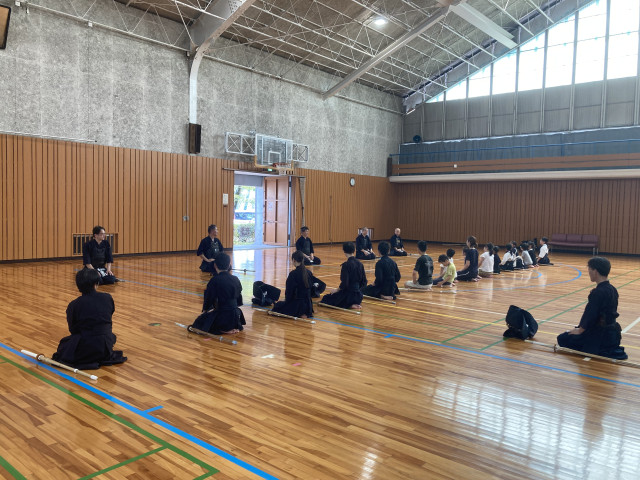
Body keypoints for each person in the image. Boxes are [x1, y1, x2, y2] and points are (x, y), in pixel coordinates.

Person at [52, 268, 127, 369]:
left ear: (78, 286)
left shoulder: (74, 305)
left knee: (65, 344)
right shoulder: (107, 297)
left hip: (87, 344)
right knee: (109, 336)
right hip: (106, 345)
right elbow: (109, 315)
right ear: (96, 284)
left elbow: (73, 329)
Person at [557, 257, 627, 359]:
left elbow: (591, 315)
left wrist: (580, 330)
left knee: (562, 338)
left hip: (600, 334)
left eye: (589, 269)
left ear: (595, 271)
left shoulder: (598, 293)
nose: (589, 272)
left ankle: (600, 347)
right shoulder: (612, 289)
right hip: (613, 334)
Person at [192, 253, 245, 334]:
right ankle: (231, 326)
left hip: (223, 316)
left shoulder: (214, 280)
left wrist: (205, 311)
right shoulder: (235, 279)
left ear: (215, 265)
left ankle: (223, 329)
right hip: (236, 315)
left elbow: (208, 298)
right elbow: (239, 299)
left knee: (199, 322)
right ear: (229, 265)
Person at [320, 242, 367, 309]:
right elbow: (364, 281)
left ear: (344, 251)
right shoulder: (360, 264)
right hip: (359, 296)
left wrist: (337, 290)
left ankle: (349, 304)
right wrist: (357, 290)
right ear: (354, 250)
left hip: (349, 295)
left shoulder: (346, 265)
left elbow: (345, 283)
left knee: (326, 298)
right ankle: (354, 302)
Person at [272, 251, 314, 318]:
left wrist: (287, 302)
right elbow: (312, 289)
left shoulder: (293, 274)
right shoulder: (309, 272)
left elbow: (289, 292)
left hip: (298, 306)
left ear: (294, 260)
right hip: (309, 306)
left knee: (278, 306)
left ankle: (300, 312)